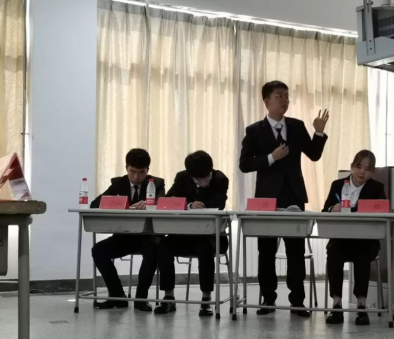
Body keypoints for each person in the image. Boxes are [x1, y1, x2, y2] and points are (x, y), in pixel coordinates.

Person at [239, 80, 330, 318]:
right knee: (266, 252)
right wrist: (271, 157)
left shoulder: (297, 126)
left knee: (295, 251)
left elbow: (314, 154)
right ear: (267, 101)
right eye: (279, 96)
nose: (285, 100)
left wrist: (319, 132)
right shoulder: (254, 130)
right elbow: (245, 164)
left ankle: (297, 301)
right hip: (266, 199)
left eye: (287, 96)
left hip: (293, 196)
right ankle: (268, 299)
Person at [154, 151, 229, 318]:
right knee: (164, 246)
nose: (203, 183)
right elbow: (167, 201)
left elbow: (219, 203)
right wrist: (188, 205)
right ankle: (168, 297)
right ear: (190, 175)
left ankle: (206, 299)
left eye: (206, 178)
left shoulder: (220, 178)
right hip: (184, 234)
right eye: (198, 180)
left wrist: (200, 203)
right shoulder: (182, 177)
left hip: (211, 236)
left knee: (204, 248)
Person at [91, 149, 165, 312]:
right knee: (98, 250)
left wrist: (153, 203)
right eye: (132, 171)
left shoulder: (157, 183)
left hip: (148, 236)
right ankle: (117, 296)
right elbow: (95, 204)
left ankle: (141, 299)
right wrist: (116, 203)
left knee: (154, 248)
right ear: (126, 168)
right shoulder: (118, 183)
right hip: (124, 236)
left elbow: (164, 203)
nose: (136, 177)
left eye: (141, 172)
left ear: (148, 170)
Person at [322, 150, 387, 326]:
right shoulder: (338, 185)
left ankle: (361, 305)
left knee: (362, 253)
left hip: (365, 241)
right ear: (352, 167)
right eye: (359, 167)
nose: (362, 172)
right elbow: (325, 210)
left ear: (372, 172)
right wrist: (332, 209)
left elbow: (383, 212)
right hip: (341, 239)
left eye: (367, 169)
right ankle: (336, 304)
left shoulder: (376, 188)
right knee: (333, 251)